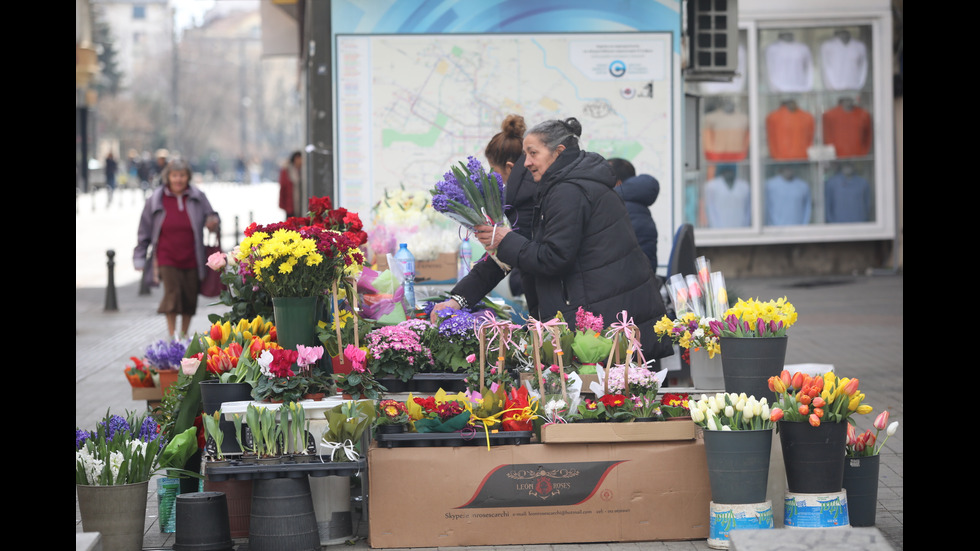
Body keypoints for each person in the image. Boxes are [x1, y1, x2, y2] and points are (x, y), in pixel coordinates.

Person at [474, 117, 672, 360]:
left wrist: (506, 240)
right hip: (611, 316)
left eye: (533, 153)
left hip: (603, 324)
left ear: (558, 152)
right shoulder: (576, 182)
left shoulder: (568, 190)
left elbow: (555, 256)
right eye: (525, 154)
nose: (526, 163)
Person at [430, 114, 537, 321]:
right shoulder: (526, 196)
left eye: (497, 175)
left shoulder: (526, 202)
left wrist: (501, 241)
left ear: (510, 168)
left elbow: (502, 260)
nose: (499, 184)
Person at [134, 159, 220, 339]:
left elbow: (211, 215)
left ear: (188, 177)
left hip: (192, 255)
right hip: (166, 255)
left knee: (189, 295)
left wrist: (212, 222)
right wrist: (140, 255)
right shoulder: (156, 199)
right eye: (174, 175)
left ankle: (184, 334)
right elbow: (145, 228)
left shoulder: (197, 196)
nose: (178, 180)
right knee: (172, 293)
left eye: (182, 175)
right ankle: (172, 336)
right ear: (168, 177)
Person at [608, 158, 660, 271]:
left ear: (618, 183)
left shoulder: (616, 208)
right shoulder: (637, 207)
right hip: (642, 280)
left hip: (628, 282)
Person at [279, 151, 303, 218]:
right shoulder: (287, 170)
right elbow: (283, 187)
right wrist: (282, 204)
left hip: (301, 204)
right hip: (290, 204)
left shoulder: (303, 171)